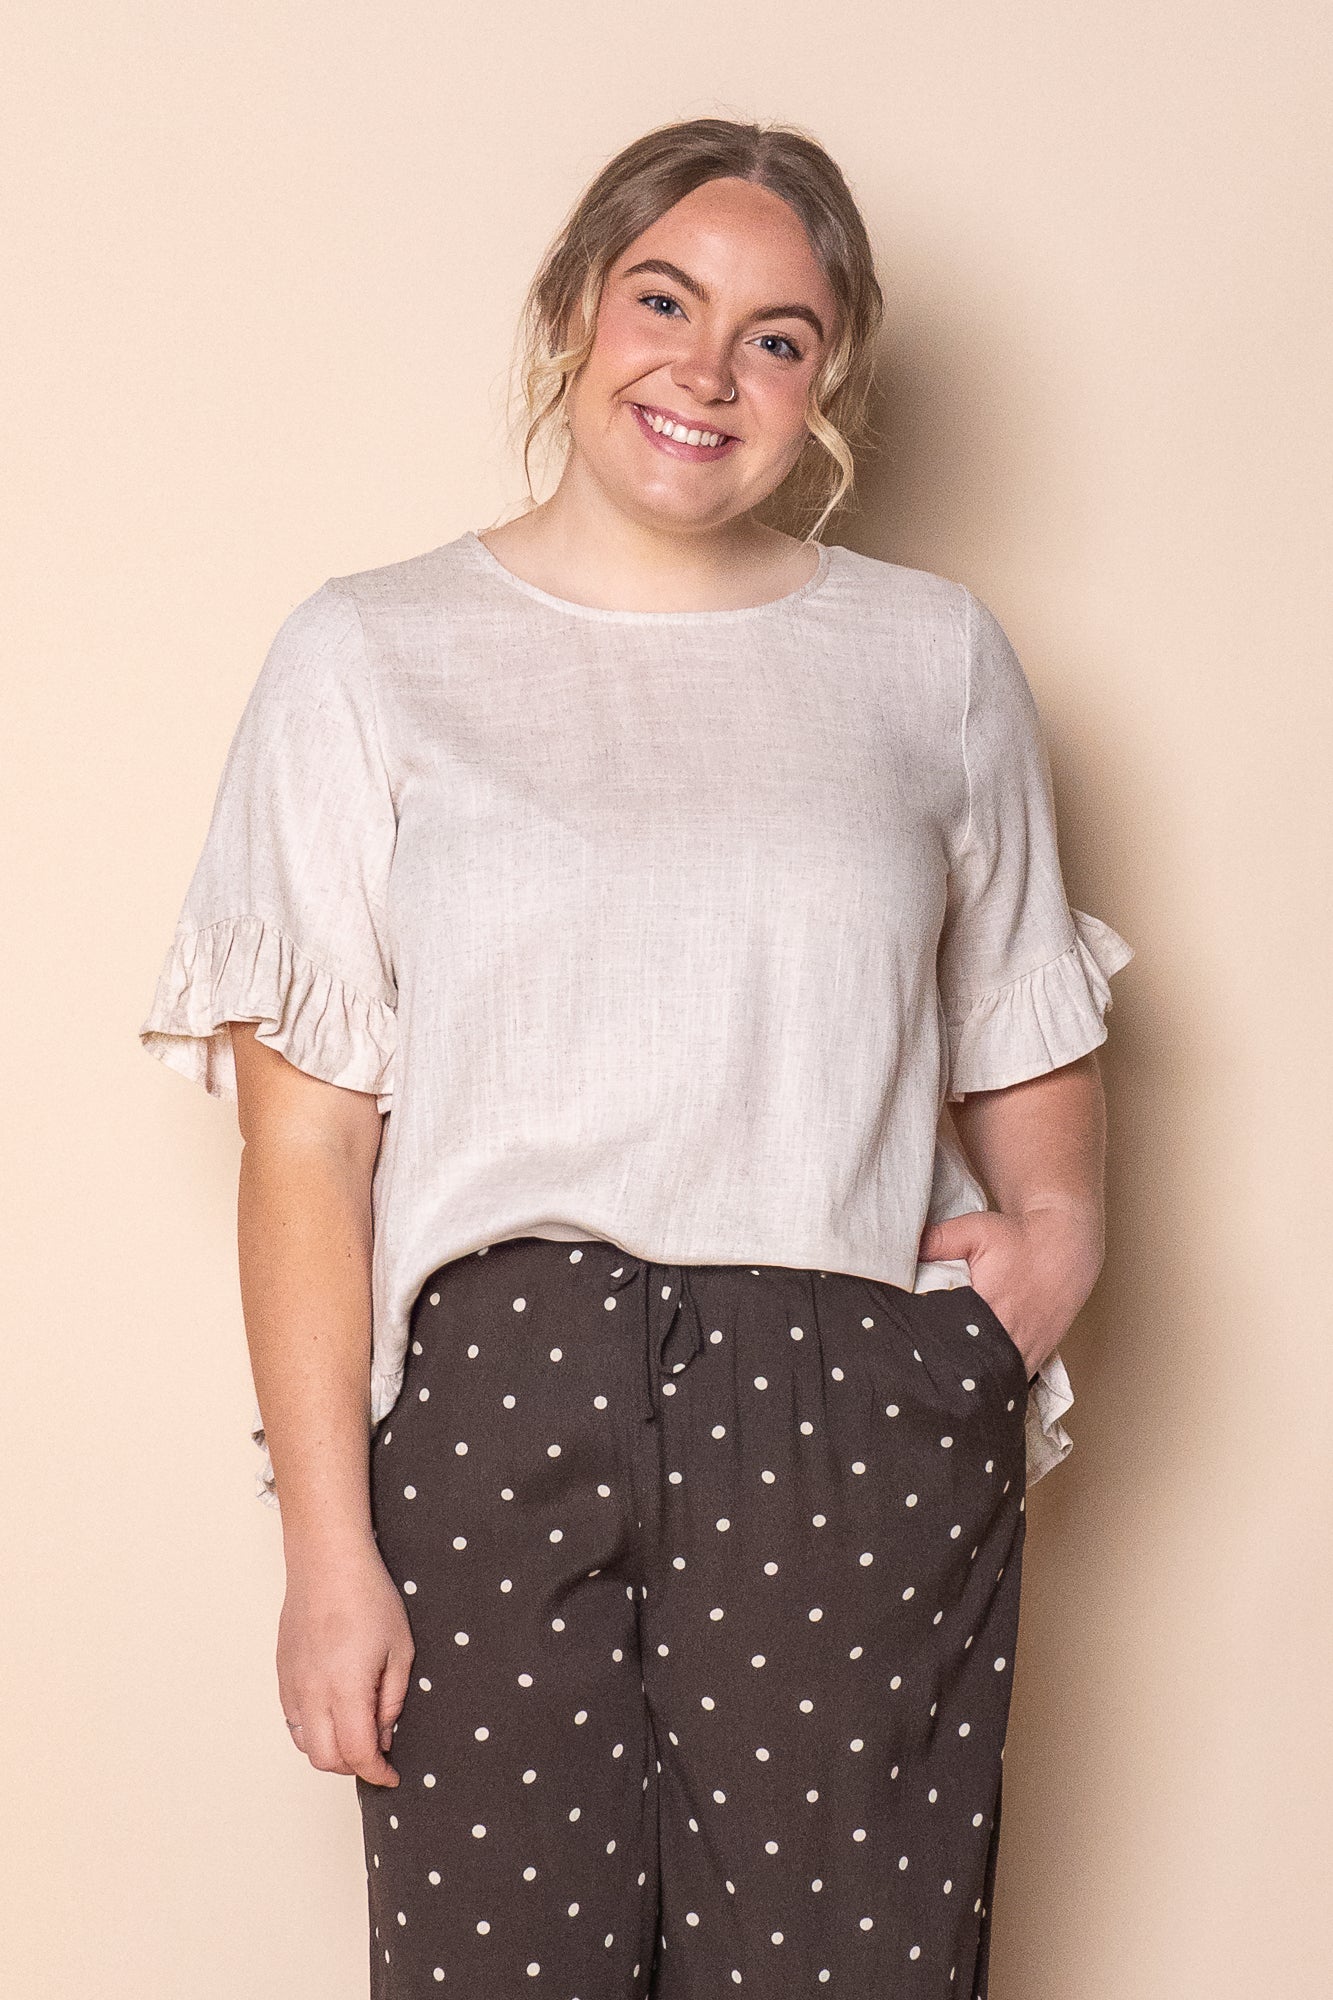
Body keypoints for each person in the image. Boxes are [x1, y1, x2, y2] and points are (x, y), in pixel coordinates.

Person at [139, 116, 1134, 2000]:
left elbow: (1021, 1015)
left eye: (775, 334)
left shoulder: (928, 658)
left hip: (844, 1393)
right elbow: (307, 1150)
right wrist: (329, 1555)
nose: (707, 368)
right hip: (497, 1388)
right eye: (662, 300)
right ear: (572, 313)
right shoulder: (370, 654)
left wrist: (1056, 1240)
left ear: (825, 382)